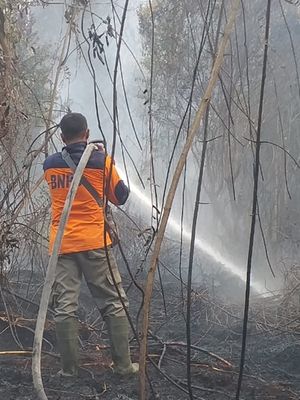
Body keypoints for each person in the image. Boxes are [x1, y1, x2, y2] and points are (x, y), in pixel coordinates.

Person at [43, 112, 138, 377]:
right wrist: (111, 165)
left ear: (62, 137)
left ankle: (69, 370)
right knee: (113, 303)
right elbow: (120, 197)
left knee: (65, 306)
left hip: (61, 246)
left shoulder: (49, 164)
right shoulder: (101, 161)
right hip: (95, 243)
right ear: (87, 133)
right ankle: (123, 366)